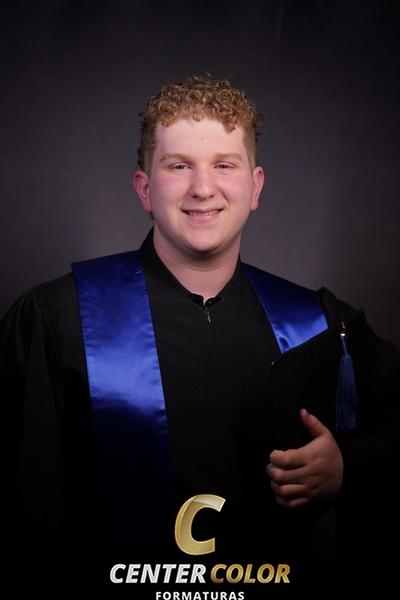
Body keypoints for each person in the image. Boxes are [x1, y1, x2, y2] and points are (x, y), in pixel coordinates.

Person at [1, 75, 399, 597]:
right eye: (178, 165)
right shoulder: (58, 319)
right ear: (145, 188)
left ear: (256, 187)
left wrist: (347, 465)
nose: (203, 188)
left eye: (224, 165)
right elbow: (25, 508)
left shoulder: (318, 326)